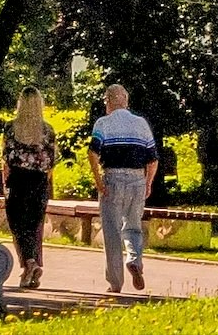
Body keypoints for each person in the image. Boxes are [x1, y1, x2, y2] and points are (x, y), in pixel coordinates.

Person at [85, 84, 160, 294]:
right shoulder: (141, 123)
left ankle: (115, 283)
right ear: (126, 101)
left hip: (113, 178)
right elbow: (153, 159)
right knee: (133, 227)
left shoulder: (103, 123)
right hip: (137, 179)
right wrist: (148, 183)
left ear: (108, 101)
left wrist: (98, 180)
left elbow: (92, 153)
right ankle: (135, 260)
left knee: (112, 231)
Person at [0, 89, 58, 291]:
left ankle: (30, 264)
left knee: (18, 225)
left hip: (17, 179)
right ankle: (30, 267)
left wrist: (5, 182)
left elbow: (6, 157)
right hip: (39, 180)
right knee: (33, 225)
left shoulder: (11, 128)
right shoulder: (48, 130)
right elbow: (51, 160)